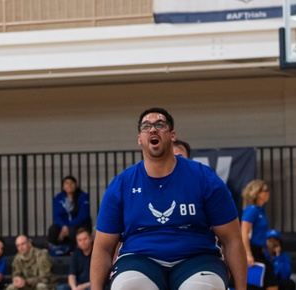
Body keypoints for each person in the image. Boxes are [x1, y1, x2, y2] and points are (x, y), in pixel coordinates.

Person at [90, 108, 247, 290]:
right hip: (139, 258)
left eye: (160, 125)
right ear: (140, 139)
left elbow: (232, 239)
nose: (153, 130)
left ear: (172, 135)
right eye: (146, 126)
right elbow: (102, 247)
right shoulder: (122, 184)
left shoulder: (204, 178)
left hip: (198, 257)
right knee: (127, 287)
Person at [241, 179, 280, 290]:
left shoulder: (260, 210)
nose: (268, 193)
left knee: (270, 281)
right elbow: (244, 232)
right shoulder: (251, 210)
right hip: (252, 250)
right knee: (263, 282)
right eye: (265, 190)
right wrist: (248, 254)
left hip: (261, 250)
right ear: (257, 193)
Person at [49, 176, 93, 252]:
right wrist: (63, 226)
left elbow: (83, 215)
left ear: (76, 185)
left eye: (72, 183)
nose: (69, 185)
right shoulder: (58, 198)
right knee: (53, 229)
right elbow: (56, 215)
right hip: (64, 226)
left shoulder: (83, 196)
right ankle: (56, 249)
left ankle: (75, 250)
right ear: (63, 186)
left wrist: (67, 226)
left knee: (72, 230)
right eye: (66, 183)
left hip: (80, 224)